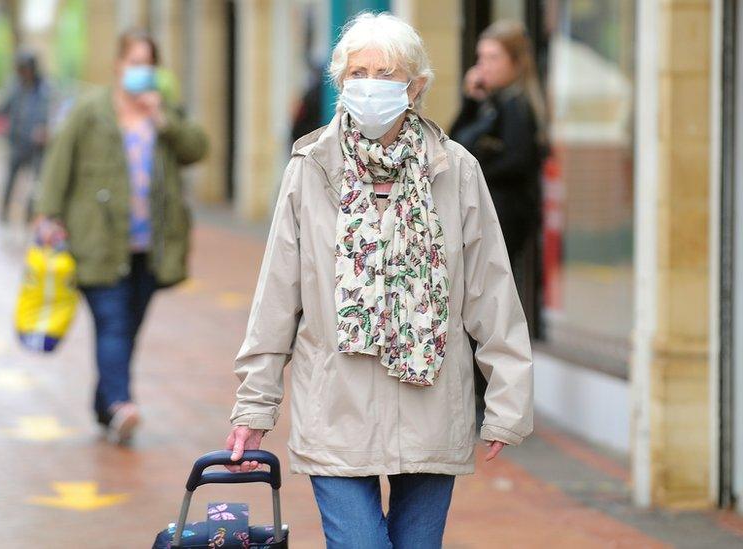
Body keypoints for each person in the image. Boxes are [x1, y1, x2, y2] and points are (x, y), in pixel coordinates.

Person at [224, 12, 533, 549]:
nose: (368, 86)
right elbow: (277, 294)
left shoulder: (455, 170)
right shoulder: (311, 168)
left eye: (384, 73)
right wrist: (255, 405)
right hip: (335, 409)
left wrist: (507, 403)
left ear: (414, 87)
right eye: (357, 73)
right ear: (341, 83)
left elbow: (491, 289)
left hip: (432, 408)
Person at [37, 29, 208, 444]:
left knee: (127, 329)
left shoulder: (161, 111)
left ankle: (106, 404)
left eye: (148, 63)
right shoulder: (90, 110)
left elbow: (197, 149)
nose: (140, 71)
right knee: (112, 324)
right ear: (118, 65)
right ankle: (121, 404)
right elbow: (59, 162)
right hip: (97, 240)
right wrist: (47, 214)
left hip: (150, 246)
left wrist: (162, 119)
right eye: (134, 62)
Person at [450, 19, 545, 278]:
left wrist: (476, 169)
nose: (483, 66)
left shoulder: (516, 106)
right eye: (481, 57)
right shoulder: (490, 102)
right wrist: (470, 101)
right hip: (485, 213)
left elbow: (517, 161)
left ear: (515, 62)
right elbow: (452, 143)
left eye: (493, 57)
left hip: (503, 217)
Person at [0, 50, 51, 222]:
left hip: (36, 146)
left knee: (36, 184)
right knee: (10, 180)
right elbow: (3, 109)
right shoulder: (15, 87)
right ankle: (3, 214)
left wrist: (44, 128)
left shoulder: (44, 89)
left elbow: (50, 113)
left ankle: (30, 215)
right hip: (17, 142)